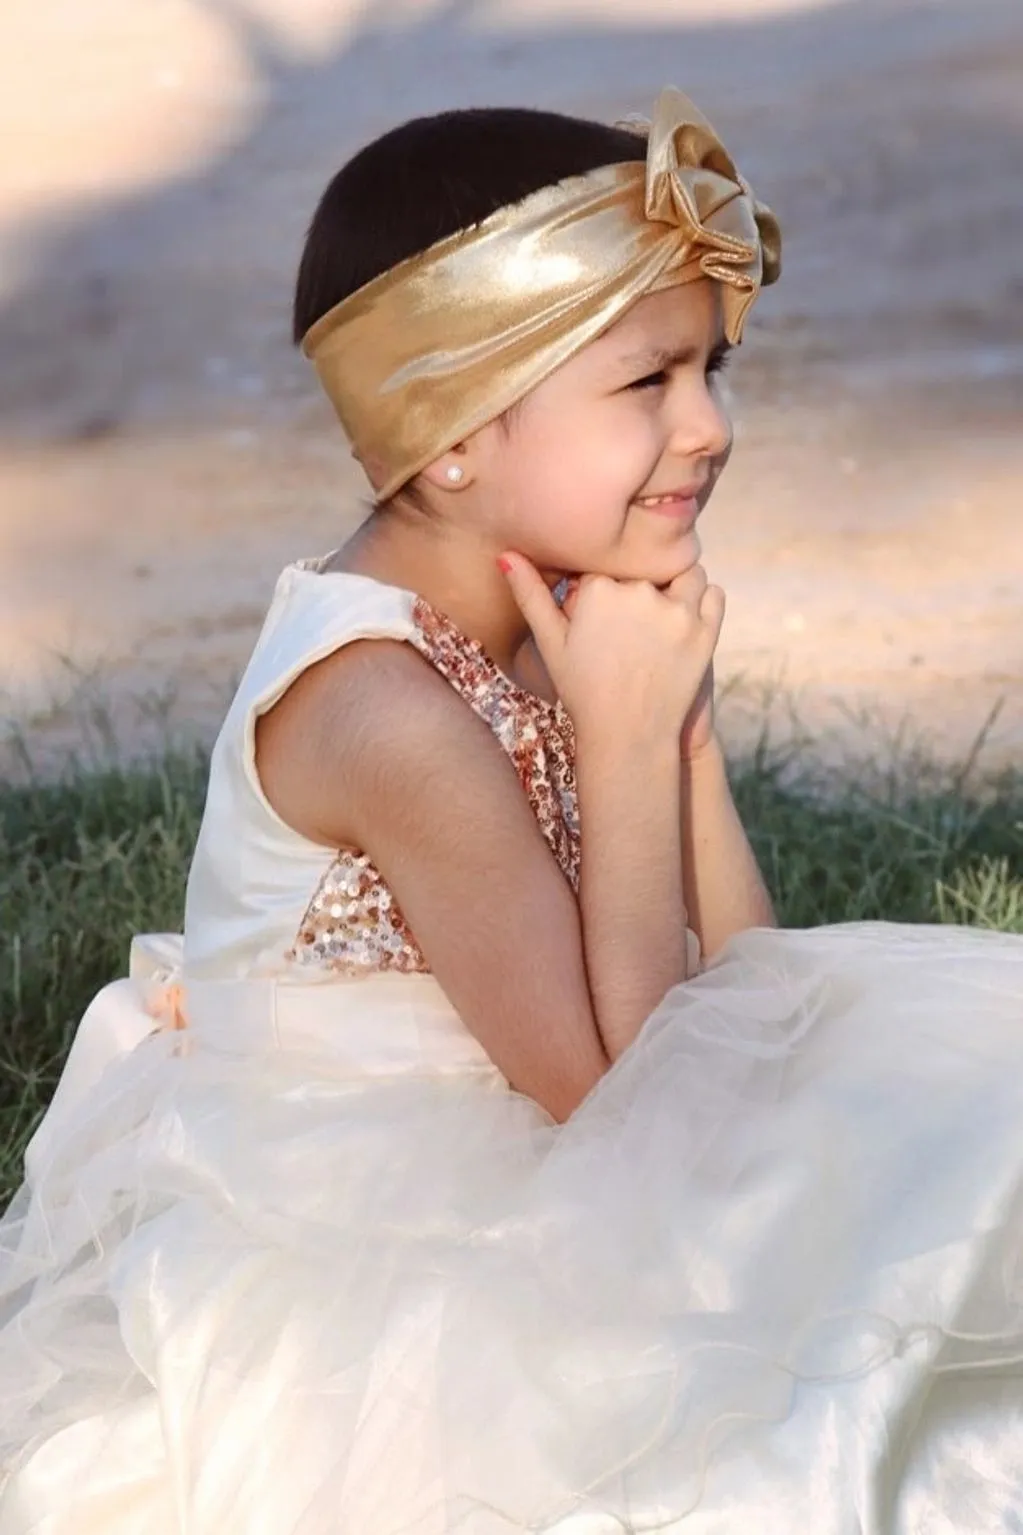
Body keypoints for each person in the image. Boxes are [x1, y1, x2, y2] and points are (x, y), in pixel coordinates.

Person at [1, 87, 1021, 1534]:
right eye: (646, 382)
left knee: (941, 1133)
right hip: (383, 1226)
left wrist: (680, 744)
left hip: (591, 1108)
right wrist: (616, 738)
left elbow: (745, 998)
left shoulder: (547, 601)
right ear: (454, 429)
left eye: (714, 371)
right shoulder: (379, 710)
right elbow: (628, 1108)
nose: (708, 427)